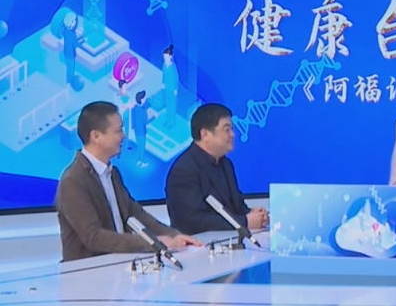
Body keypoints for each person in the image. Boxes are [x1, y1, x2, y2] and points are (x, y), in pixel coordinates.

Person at [55, 101, 201, 262]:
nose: (123, 136)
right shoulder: (73, 180)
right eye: (118, 131)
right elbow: (93, 237)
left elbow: (136, 214)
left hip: (117, 266)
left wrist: (174, 236)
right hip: (88, 271)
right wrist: (152, 242)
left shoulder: (113, 173)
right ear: (95, 136)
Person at [165, 103, 268, 235]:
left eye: (232, 129)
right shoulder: (184, 170)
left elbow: (236, 207)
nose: (233, 135)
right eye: (227, 130)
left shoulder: (226, 164)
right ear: (205, 134)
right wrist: (245, 221)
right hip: (198, 244)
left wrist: (253, 214)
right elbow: (191, 222)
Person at [130, 90, 150, 167]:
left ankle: (138, 160)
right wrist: (154, 117)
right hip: (142, 131)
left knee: (139, 146)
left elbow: (133, 120)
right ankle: (141, 162)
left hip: (136, 130)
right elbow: (146, 122)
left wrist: (133, 127)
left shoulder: (134, 108)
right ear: (142, 100)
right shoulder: (143, 111)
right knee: (142, 146)